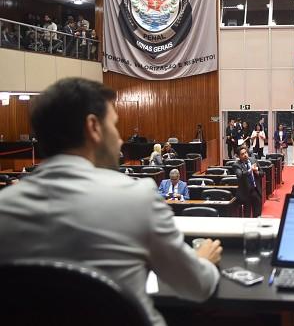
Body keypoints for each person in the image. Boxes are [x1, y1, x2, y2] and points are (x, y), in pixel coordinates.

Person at [0, 78, 222, 326]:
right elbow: (198, 287)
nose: (119, 140)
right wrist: (202, 259)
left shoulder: (4, 207)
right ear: (94, 127)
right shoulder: (138, 198)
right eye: (114, 125)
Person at [233, 146, 264, 218]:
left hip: (256, 191)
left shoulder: (253, 160)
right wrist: (250, 170)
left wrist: (257, 172)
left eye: (245, 153)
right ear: (238, 156)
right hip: (245, 193)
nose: (245, 155)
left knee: (258, 215)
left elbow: (262, 173)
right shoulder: (236, 165)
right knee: (247, 215)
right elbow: (240, 175)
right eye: (242, 154)